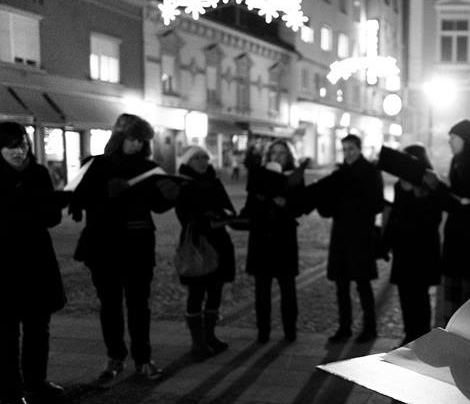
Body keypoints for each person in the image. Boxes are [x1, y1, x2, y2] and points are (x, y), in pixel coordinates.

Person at [0, 122, 67, 404]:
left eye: (22, 145)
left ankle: (36, 381)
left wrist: (53, 203)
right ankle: (10, 392)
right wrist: (35, 203)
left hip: (35, 259)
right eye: (11, 146)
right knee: (4, 329)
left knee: (38, 326)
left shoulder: (39, 173)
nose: (19, 151)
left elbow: (51, 218)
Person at [70, 113, 179, 381]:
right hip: (104, 245)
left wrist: (171, 195)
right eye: (132, 139)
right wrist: (105, 193)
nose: (136, 145)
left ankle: (143, 358)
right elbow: (77, 199)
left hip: (138, 245)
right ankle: (115, 356)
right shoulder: (97, 165)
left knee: (139, 305)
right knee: (110, 305)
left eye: (141, 141)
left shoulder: (149, 168)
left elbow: (158, 206)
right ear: (120, 138)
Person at [319, 134, 385, 343]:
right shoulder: (340, 173)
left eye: (351, 149)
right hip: (341, 234)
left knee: (363, 284)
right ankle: (344, 327)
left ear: (359, 149)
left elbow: (377, 203)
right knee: (341, 284)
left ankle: (370, 328)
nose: (347, 153)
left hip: (360, 235)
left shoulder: (370, 172)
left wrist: (355, 203)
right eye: (345, 149)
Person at [242, 140, 307, 344]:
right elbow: (249, 206)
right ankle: (263, 331)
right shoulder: (259, 174)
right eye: (274, 153)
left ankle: (290, 330)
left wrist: (287, 203)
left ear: (288, 156)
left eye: (282, 153)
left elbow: (301, 207)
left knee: (288, 287)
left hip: (283, 238)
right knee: (262, 289)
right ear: (268, 156)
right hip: (261, 237)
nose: (277, 157)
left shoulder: (295, 177)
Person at [174, 146, 236, 359]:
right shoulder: (183, 184)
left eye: (205, 158)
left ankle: (210, 336)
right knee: (196, 292)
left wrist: (226, 215)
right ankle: (197, 343)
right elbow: (184, 216)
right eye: (196, 158)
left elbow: (228, 208)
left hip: (219, 242)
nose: (202, 161)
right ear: (187, 161)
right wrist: (208, 218)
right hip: (197, 244)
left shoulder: (214, 181)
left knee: (215, 290)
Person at [434, 119, 470, 325]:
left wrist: (439, 189)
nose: (449, 142)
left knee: (469, 306)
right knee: (451, 303)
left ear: (465, 139)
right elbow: (455, 200)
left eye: (453, 137)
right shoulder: (456, 162)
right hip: (454, 241)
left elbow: (466, 203)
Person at [383, 144, 442, 345]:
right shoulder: (399, 185)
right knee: (405, 295)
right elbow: (395, 217)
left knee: (420, 296)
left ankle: (421, 337)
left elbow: (434, 218)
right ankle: (409, 335)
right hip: (403, 248)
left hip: (422, 249)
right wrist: (386, 243)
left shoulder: (430, 185)